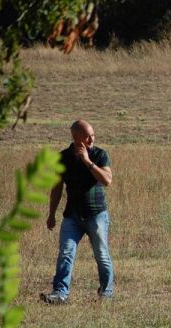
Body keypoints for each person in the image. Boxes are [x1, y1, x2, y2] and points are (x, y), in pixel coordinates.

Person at [40, 120, 114, 304]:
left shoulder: (99, 154)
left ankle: (106, 293)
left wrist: (88, 162)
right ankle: (60, 294)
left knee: (102, 254)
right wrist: (51, 214)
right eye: (87, 136)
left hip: (96, 214)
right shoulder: (62, 157)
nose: (92, 139)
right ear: (75, 137)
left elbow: (107, 180)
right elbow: (57, 188)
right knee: (66, 252)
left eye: (93, 135)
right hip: (71, 215)